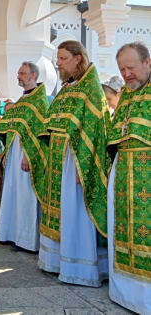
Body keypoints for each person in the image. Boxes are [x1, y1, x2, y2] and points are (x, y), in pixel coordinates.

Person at [38, 40, 110, 287]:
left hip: (76, 162)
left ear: (78, 58)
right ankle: (56, 262)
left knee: (75, 211)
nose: (58, 64)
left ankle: (79, 268)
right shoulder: (67, 88)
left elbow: (96, 132)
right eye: (57, 59)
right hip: (59, 159)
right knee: (62, 210)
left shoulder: (92, 89)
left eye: (62, 59)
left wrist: (85, 166)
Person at [107, 41, 151, 314]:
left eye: (131, 67)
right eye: (122, 69)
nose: (126, 74)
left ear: (148, 62)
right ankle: (126, 293)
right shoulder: (126, 95)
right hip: (124, 172)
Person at [0, 62, 48, 252]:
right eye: (18, 72)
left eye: (22, 73)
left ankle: (26, 241)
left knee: (26, 197)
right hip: (13, 153)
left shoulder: (40, 101)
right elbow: (11, 128)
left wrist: (28, 155)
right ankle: (11, 234)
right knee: (13, 194)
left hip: (26, 156)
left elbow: (38, 132)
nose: (19, 76)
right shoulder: (23, 99)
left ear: (33, 75)